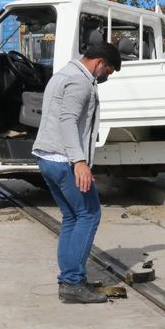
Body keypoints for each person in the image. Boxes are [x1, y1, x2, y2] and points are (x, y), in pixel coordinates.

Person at [32, 43, 122, 303]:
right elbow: (68, 120)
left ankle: (70, 279)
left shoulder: (62, 74)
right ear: (100, 63)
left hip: (48, 158)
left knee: (71, 217)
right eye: (109, 71)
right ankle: (72, 282)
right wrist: (79, 161)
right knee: (89, 214)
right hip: (64, 160)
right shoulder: (80, 82)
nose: (105, 77)